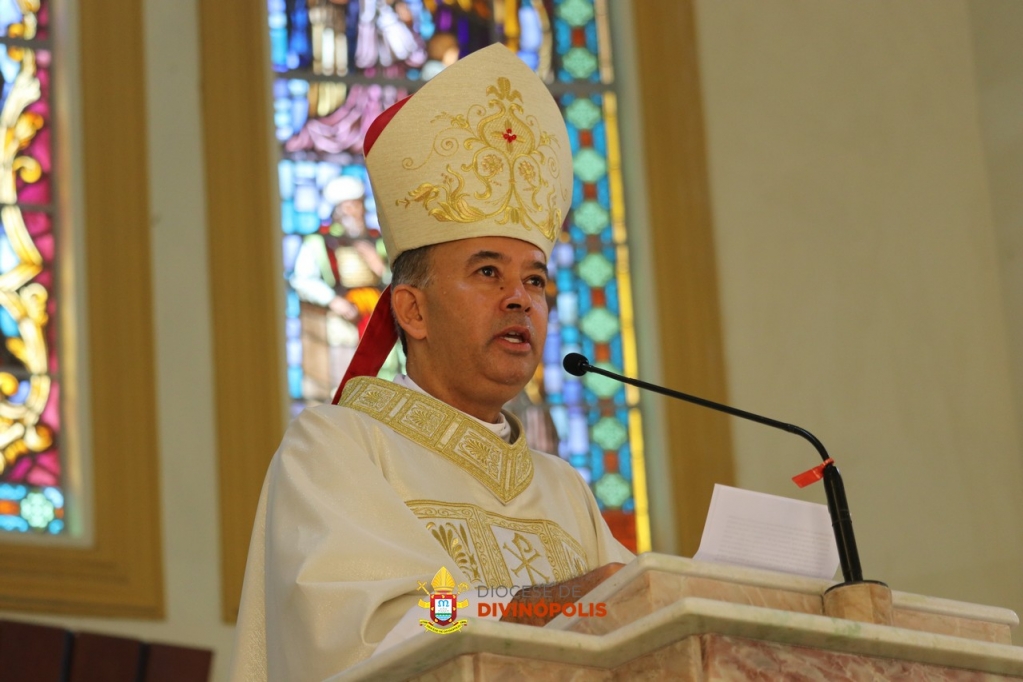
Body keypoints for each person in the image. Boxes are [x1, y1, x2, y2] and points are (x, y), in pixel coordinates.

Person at [229, 44, 633, 682]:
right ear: (412, 312)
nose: (518, 299)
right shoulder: (339, 447)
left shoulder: (565, 492)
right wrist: (529, 608)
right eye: (487, 271)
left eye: (535, 281)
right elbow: (369, 632)